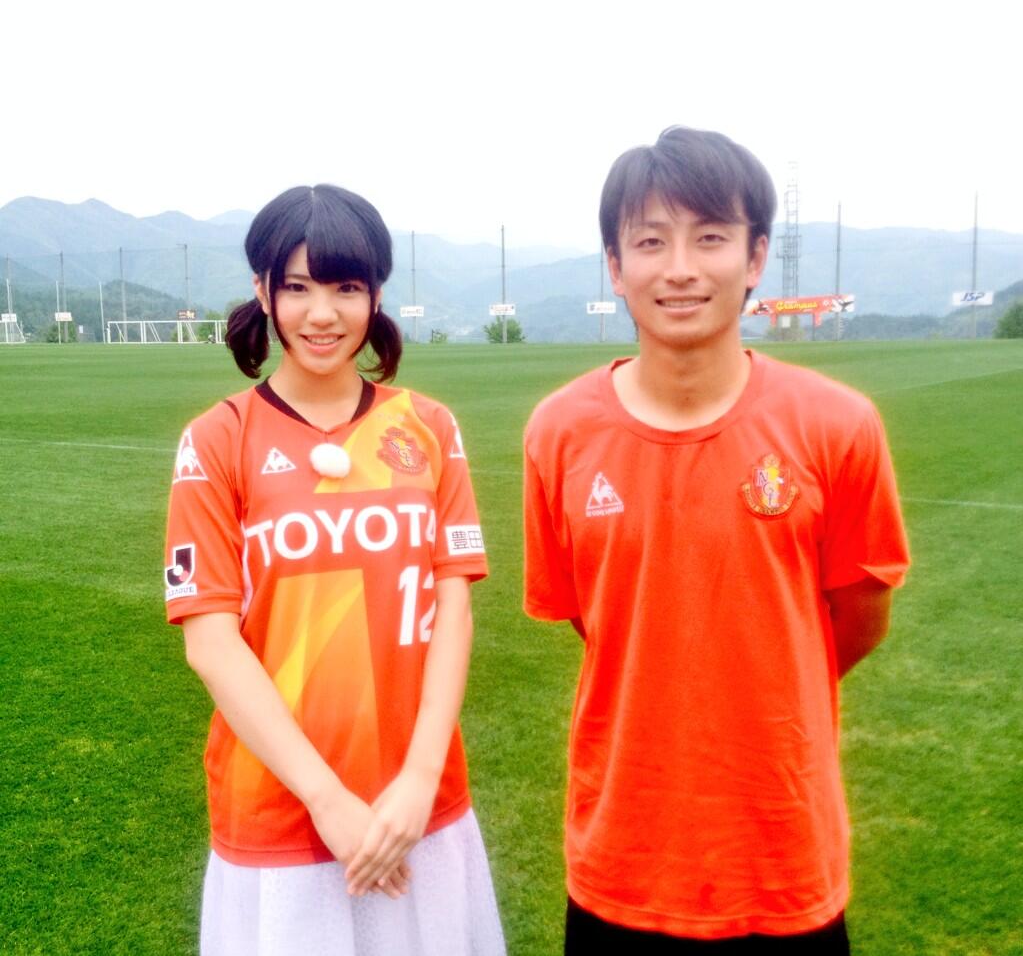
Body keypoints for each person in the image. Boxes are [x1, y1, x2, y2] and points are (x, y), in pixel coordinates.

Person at [523, 127, 910, 953]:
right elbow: (595, 618)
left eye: (709, 237)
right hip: (621, 866)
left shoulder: (837, 424)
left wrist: (767, 674)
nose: (680, 268)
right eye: (649, 242)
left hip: (781, 862)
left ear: (755, 254)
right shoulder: (557, 433)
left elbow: (857, 617)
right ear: (614, 265)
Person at [164, 184, 505, 956]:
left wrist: (418, 778)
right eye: (297, 287)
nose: (322, 313)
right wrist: (325, 798)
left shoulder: (427, 426)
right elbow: (210, 642)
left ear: (375, 294)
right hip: (278, 816)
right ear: (263, 292)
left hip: (418, 809)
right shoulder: (216, 440)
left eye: (346, 287)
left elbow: (452, 607)